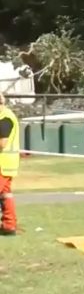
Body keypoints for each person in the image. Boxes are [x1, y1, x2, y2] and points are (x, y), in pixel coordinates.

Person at [0, 94, 19, 236]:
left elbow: (2, 143)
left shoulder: (5, 119)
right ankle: (9, 225)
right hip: (7, 163)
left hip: (2, 163)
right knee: (6, 194)